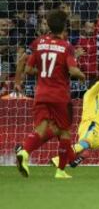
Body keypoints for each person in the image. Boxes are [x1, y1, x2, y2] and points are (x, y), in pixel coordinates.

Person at [15, 10, 86, 179]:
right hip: (60, 96)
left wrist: (43, 70)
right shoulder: (66, 46)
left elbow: (28, 69)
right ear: (64, 27)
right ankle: (60, 170)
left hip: (41, 94)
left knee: (41, 129)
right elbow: (73, 70)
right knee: (65, 133)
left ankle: (24, 153)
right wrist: (83, 76)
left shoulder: (39, 43)